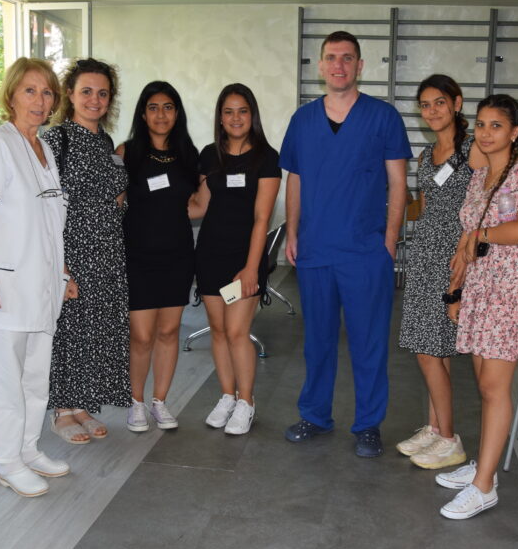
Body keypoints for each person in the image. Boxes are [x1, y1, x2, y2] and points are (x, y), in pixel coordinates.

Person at [279, 31, 412, 457]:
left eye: (347, 58)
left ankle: (368, 424)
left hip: (365, 252)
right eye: (332, 57)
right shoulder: (303, 120)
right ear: (320, 65)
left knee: (369, 342)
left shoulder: (383, 117)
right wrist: (293, 232)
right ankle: (315, 415)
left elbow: (398, 183)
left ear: (360, 66)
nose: (339, 65)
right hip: (316, 250)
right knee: (317, 341)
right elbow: (295, 179)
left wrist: (389, 242)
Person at [0, 58, 73, 498]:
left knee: (35, 376)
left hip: (41, 287)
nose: (40, 100)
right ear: (11, 96)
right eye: (30, 90)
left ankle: (27, 448)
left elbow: (48, 223)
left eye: (47, 92)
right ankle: (6, 461)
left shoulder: (43, 149)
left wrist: (62, 273)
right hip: (3, 290)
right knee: (7, 381)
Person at [436, 94, 518, 519]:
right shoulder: (480, 177)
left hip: (511, 289)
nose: (485, 133)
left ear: (515, 132)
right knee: (485, 385)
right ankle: (483, 467)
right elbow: (465, 243)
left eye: (496, 126)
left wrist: (480, 235)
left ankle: (484, 486)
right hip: (481, 287)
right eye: (481, 125)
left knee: (493, 387)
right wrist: (456, 292)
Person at [397, 74, 486, 469]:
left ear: (457, 103)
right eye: (425, 105)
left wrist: (467, 250)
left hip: (453, 259)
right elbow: (426, 206)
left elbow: (484, 202)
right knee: (435, 348)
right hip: (424, 255)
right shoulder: (425, 155)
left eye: (439, 102)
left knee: (428, 350)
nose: (431, 111)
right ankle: (435, 429)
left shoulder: (473, 149)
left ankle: (450, 440)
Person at [42, 58, 130, 444]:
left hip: (107, 251)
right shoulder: (55, 140)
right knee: (69, 330)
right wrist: (60, 268)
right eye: (87, 92)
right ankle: (62, 411)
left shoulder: (106, 143)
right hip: (72, 251)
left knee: (95, 332)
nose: (95, 100)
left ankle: (81, 406)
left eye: (102, 93)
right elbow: (44, 207)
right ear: (70, 95)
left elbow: (112, 194)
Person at [189, 84, 282, 436]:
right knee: (218, 331)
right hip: (210, 254)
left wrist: (251, 268)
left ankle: (246, 402)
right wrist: (155, 207)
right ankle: (227, 396)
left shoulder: (267, 158)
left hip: (244, 259)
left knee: (237, 332)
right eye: (228, 111)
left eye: (242, 110)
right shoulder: (209, 155)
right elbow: (200, 206)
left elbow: (262, 218)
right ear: (220, 117)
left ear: (252, 114)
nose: (235, 118)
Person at [117, 81, 198, 433]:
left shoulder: (188, 154)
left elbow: (195, 205)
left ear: (176, 113)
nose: (161, 114)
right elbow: (114, 206)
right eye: (153, 107)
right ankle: (136, 403)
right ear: (142, 113)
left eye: (167, 107)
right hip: (138, 256)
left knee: (169, 331)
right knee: (141, 335)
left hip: (177, 255)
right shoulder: (126, 152)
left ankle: (160, 402)